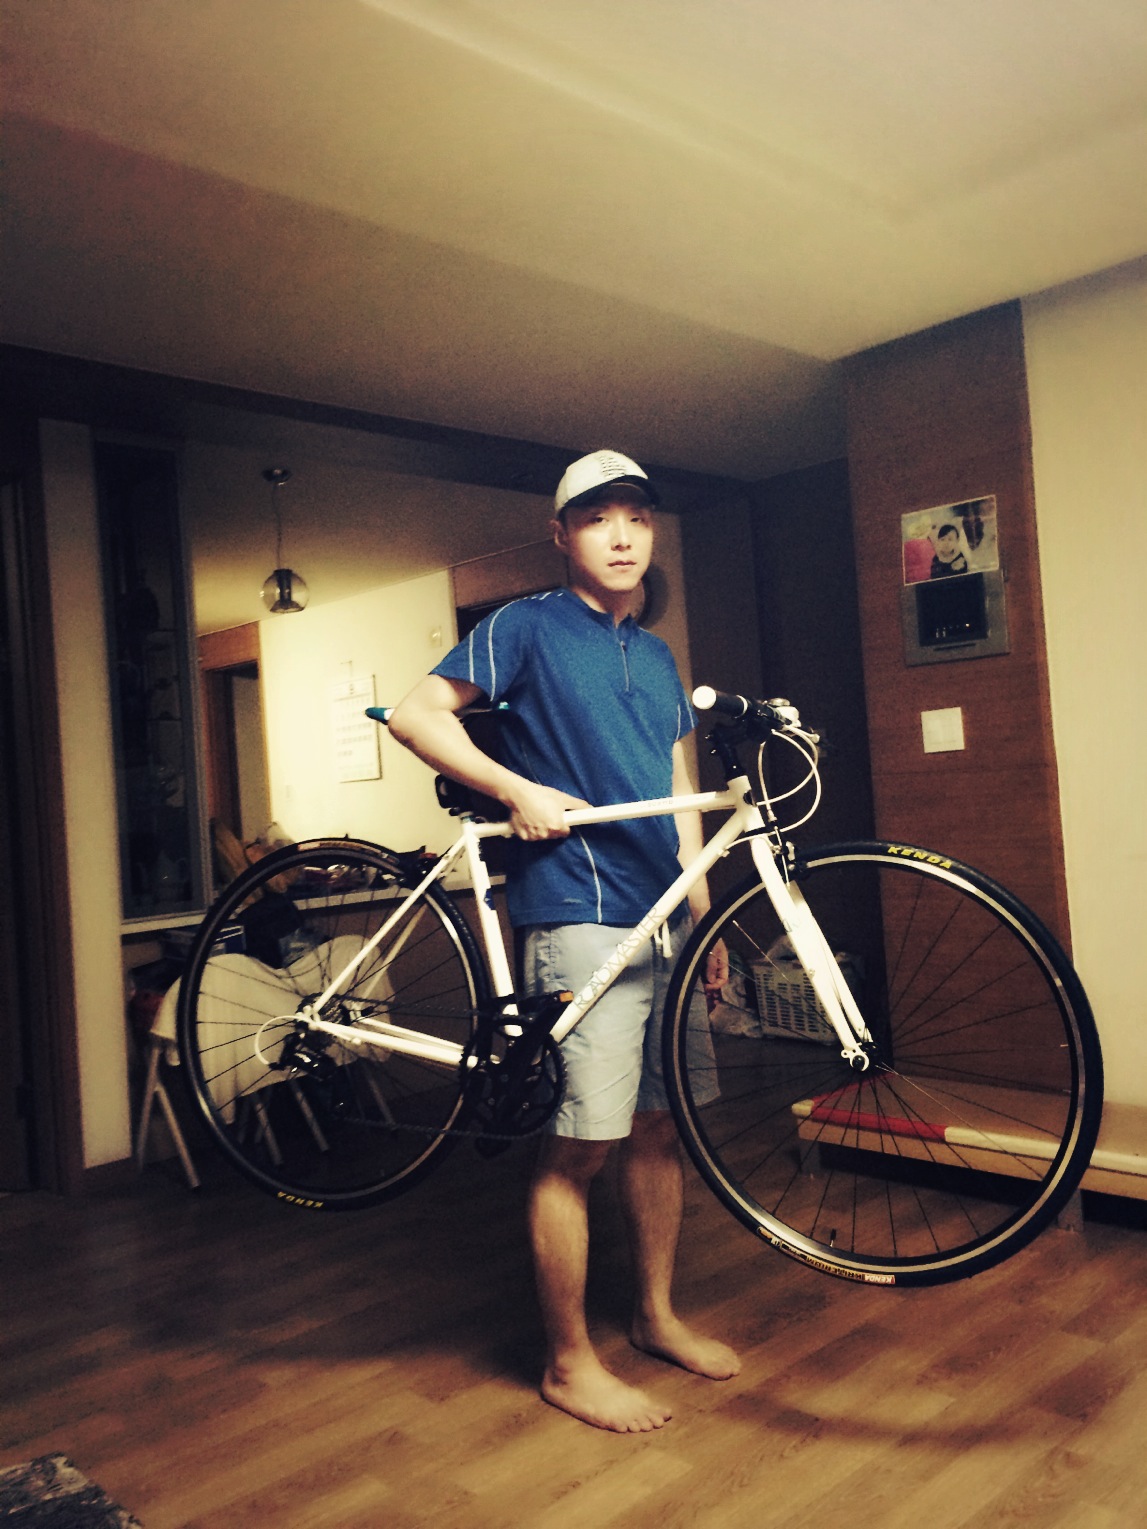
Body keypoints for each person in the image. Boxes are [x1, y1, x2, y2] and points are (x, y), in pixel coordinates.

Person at [388, 448, 738, 1433]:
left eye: (636, 517)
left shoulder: (657, 656)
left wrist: (701, 906)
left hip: (662, 916)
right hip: (579, 912)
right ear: (561, 534)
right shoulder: (526, 626)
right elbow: (414, 715)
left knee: (660, 1129)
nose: (621, 535)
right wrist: (515, 789)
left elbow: (674, 789)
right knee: (580, 1144)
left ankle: (655, 1314)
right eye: (596, 518)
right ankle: (568, 1362)